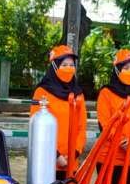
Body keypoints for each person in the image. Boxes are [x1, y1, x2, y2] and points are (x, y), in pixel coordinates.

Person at [95, 49, 130, 184]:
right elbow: (104, 123)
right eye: (126, 68)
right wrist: (123, 142)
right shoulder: (106, 93)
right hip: (109, 157)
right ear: (117, 70)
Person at [30, 45, 87, 174]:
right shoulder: (42, 92)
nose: (69, 68)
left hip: (71, 163)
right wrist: (56, 156)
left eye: (72, 65)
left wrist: (74, 153)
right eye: (64, 65)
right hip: (46, 162)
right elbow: (37, 128)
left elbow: (81, 127)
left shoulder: (78, 94)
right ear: (54, 66)